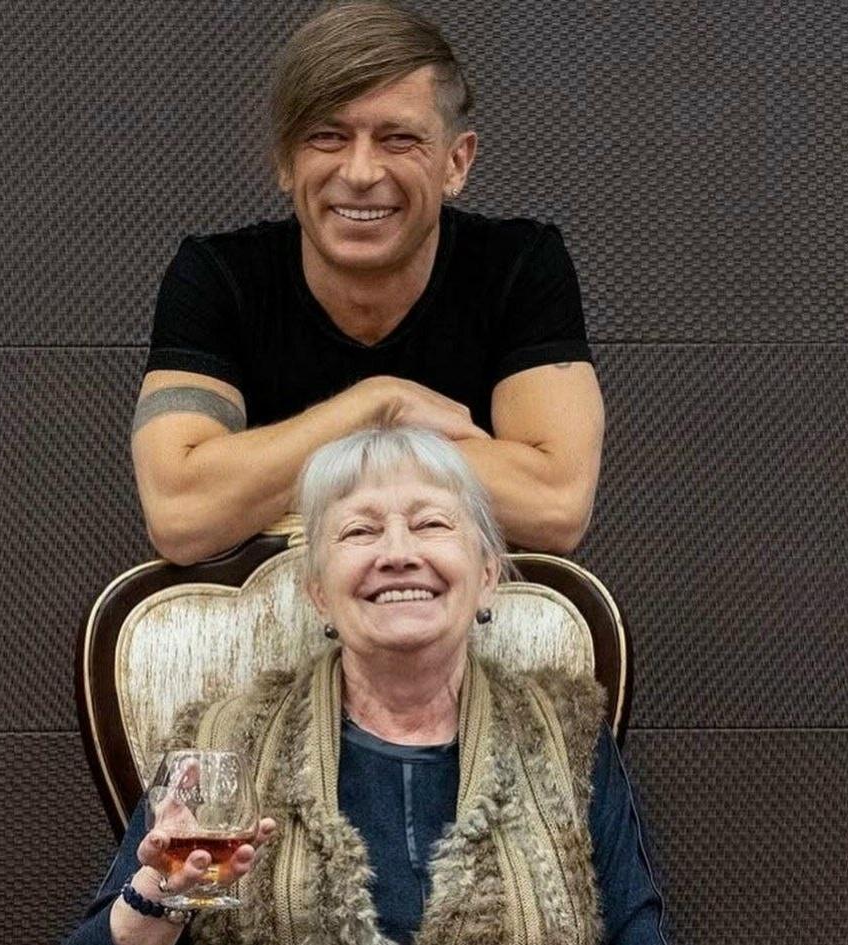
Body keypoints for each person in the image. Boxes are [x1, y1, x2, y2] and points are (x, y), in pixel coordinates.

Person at [40, 428, 774, 945]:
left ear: (487, 571)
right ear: (318, 590)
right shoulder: (228, 746)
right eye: (359, 531)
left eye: (430, 524)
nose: (397, 552)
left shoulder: (562, 746)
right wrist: (159, 898)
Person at [131, 0, 605, 565]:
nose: (359, 173)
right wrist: (379, 405)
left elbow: (555, 505)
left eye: (398, 139)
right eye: (327, 137)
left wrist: (278, 466)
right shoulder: (219, 276)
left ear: (456, 163)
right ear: (285, 161)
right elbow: (181, 515)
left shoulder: (518, 266)